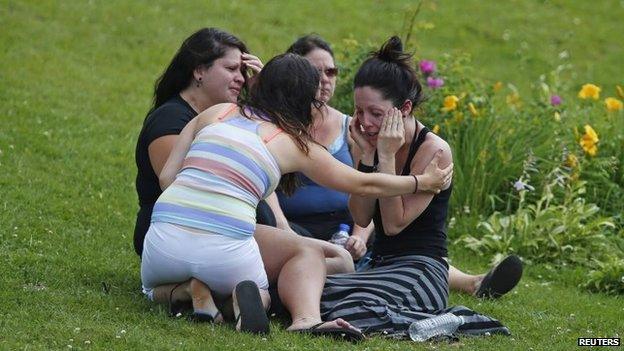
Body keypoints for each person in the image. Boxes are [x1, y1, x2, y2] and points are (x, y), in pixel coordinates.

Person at [140, 52, 453, 337]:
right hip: (226, 250)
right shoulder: (289, 142)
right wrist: (420, 182)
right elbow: (364, 184)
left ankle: (186, 290)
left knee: (153, 286)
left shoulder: (217, 112)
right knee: (283, 279)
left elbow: (167, 177)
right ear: (306, 102)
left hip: (160, 245)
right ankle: (303, 319)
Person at [271, 34, 522, 298]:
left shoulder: (434, 151)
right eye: (359, 111)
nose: (365, 122)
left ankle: (470, 285)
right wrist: (368, 157)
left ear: (404, 108)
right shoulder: (367, 141)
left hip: (420, 269)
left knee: (330, 295)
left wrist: (386, 157)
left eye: (376, 114)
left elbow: (393, 225)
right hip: (381, 264)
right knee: (315, 290)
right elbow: (360, 216)